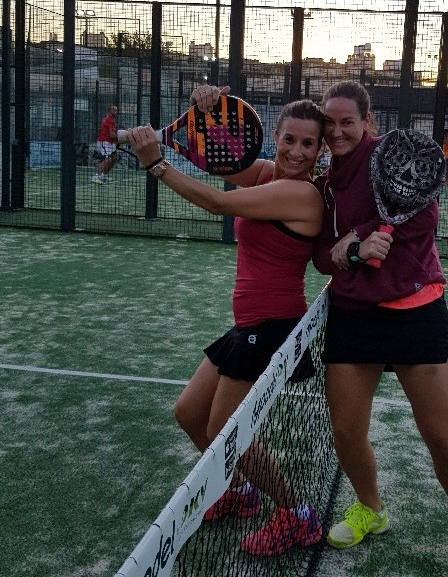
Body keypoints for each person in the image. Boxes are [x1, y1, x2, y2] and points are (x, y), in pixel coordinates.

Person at [124, 85, 326, 556]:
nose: (296, 151)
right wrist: (210, 116)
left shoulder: (302, 194)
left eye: (308, 144)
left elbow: (217, 202)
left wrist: (157, 165)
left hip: (272, 326)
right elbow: (219, 162)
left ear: (320, 150)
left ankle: (297, 515)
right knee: (189, 414)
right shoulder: (267, 173)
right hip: (248, 325)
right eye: (289, 139)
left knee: (223, 430)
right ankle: (239, 491)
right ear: (274, 136)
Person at [312, 80, 448, 577]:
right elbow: (323, 255)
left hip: (417, 311)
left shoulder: (392, 157)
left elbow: (423, 217)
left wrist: (361, 234)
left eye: (347, 122)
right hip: (354, 315)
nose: (337, 131)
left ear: (367, 122)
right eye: (330, 122)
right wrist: (352, 251)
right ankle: (371, 508)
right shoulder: (325, 183)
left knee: (441, 436)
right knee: (346, 431)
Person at [92, 105, 118, 184]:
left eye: (116, 110)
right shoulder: (108, 119)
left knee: (113, 159)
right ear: (110, 111)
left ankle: (103, 175)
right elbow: (111, 135)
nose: (116, 112)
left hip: (110, 143)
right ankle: (96, 176)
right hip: (104, 142)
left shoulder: (112, 120)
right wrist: (121, 139)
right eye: (114, 110)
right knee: (108, 159)